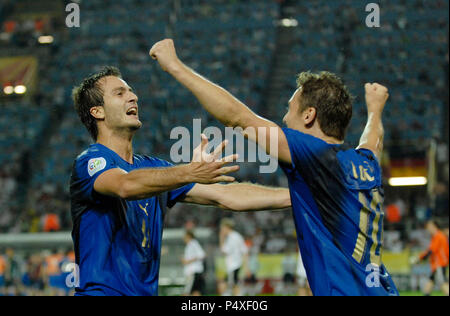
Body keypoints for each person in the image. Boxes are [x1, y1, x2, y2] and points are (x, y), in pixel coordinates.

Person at [150, 39, 399, 296]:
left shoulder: (313, 155)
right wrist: (375, 110)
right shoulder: (365, 163)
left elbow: (238, 118)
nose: (283, 119)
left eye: (290, 110)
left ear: (308, 115)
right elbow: (373, 140)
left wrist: (174, 66)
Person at [70, 66, 291, 296]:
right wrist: (189, 171)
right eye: (119, 93)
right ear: (98, 112)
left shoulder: (154, 169)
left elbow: (227, 195)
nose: (133, 97)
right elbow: (125, 186)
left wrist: (297, 196)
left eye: (131, 91)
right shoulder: (90, 162)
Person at [412, 220, 449, 296]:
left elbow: (431, 251)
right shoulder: (438, 236)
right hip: (438, 264)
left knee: (442, 282)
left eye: (429, 227)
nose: (428, 229)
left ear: (434, 226)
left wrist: (419, 258)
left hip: (440, 263)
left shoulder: (438, 236)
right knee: (431, 281)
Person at [219, 218, 248, 296]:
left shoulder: (231, 238)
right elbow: (245, 251)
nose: (221, 230)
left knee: (224, 286)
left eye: (222, 228)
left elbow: (224, 251)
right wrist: (245, 266)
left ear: (226, 227)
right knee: (233, 286)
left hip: (233, 266)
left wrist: (221, 238)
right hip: (236, 265)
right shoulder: (237, 236)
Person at [181, 230, 206, 296]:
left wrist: (187, 261)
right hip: (195, 272)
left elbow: (202, 255)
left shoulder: (193, 243)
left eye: (185, 236)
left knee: (186, 292)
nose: (183, 238)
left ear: (188, 236)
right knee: (196, 292)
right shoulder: (191, 245)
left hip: (193, 272)